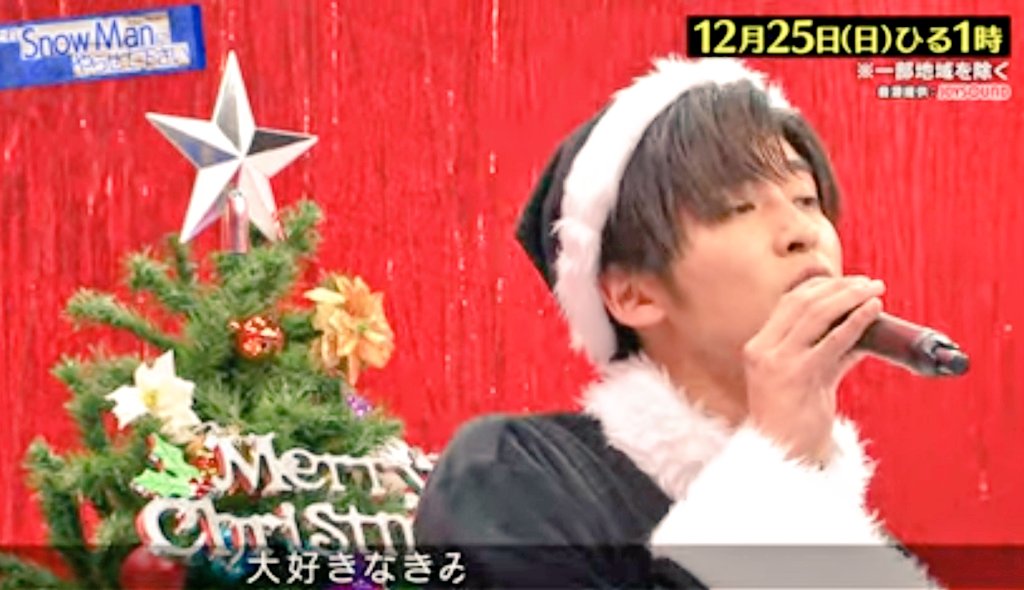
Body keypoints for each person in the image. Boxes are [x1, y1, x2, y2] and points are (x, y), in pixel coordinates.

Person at [412, 56, 942, 588]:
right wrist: (773, 468)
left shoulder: (853, 539)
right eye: (737, 207)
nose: (802, 231)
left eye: (807, 199)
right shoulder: (513, 475)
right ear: (634, 294)